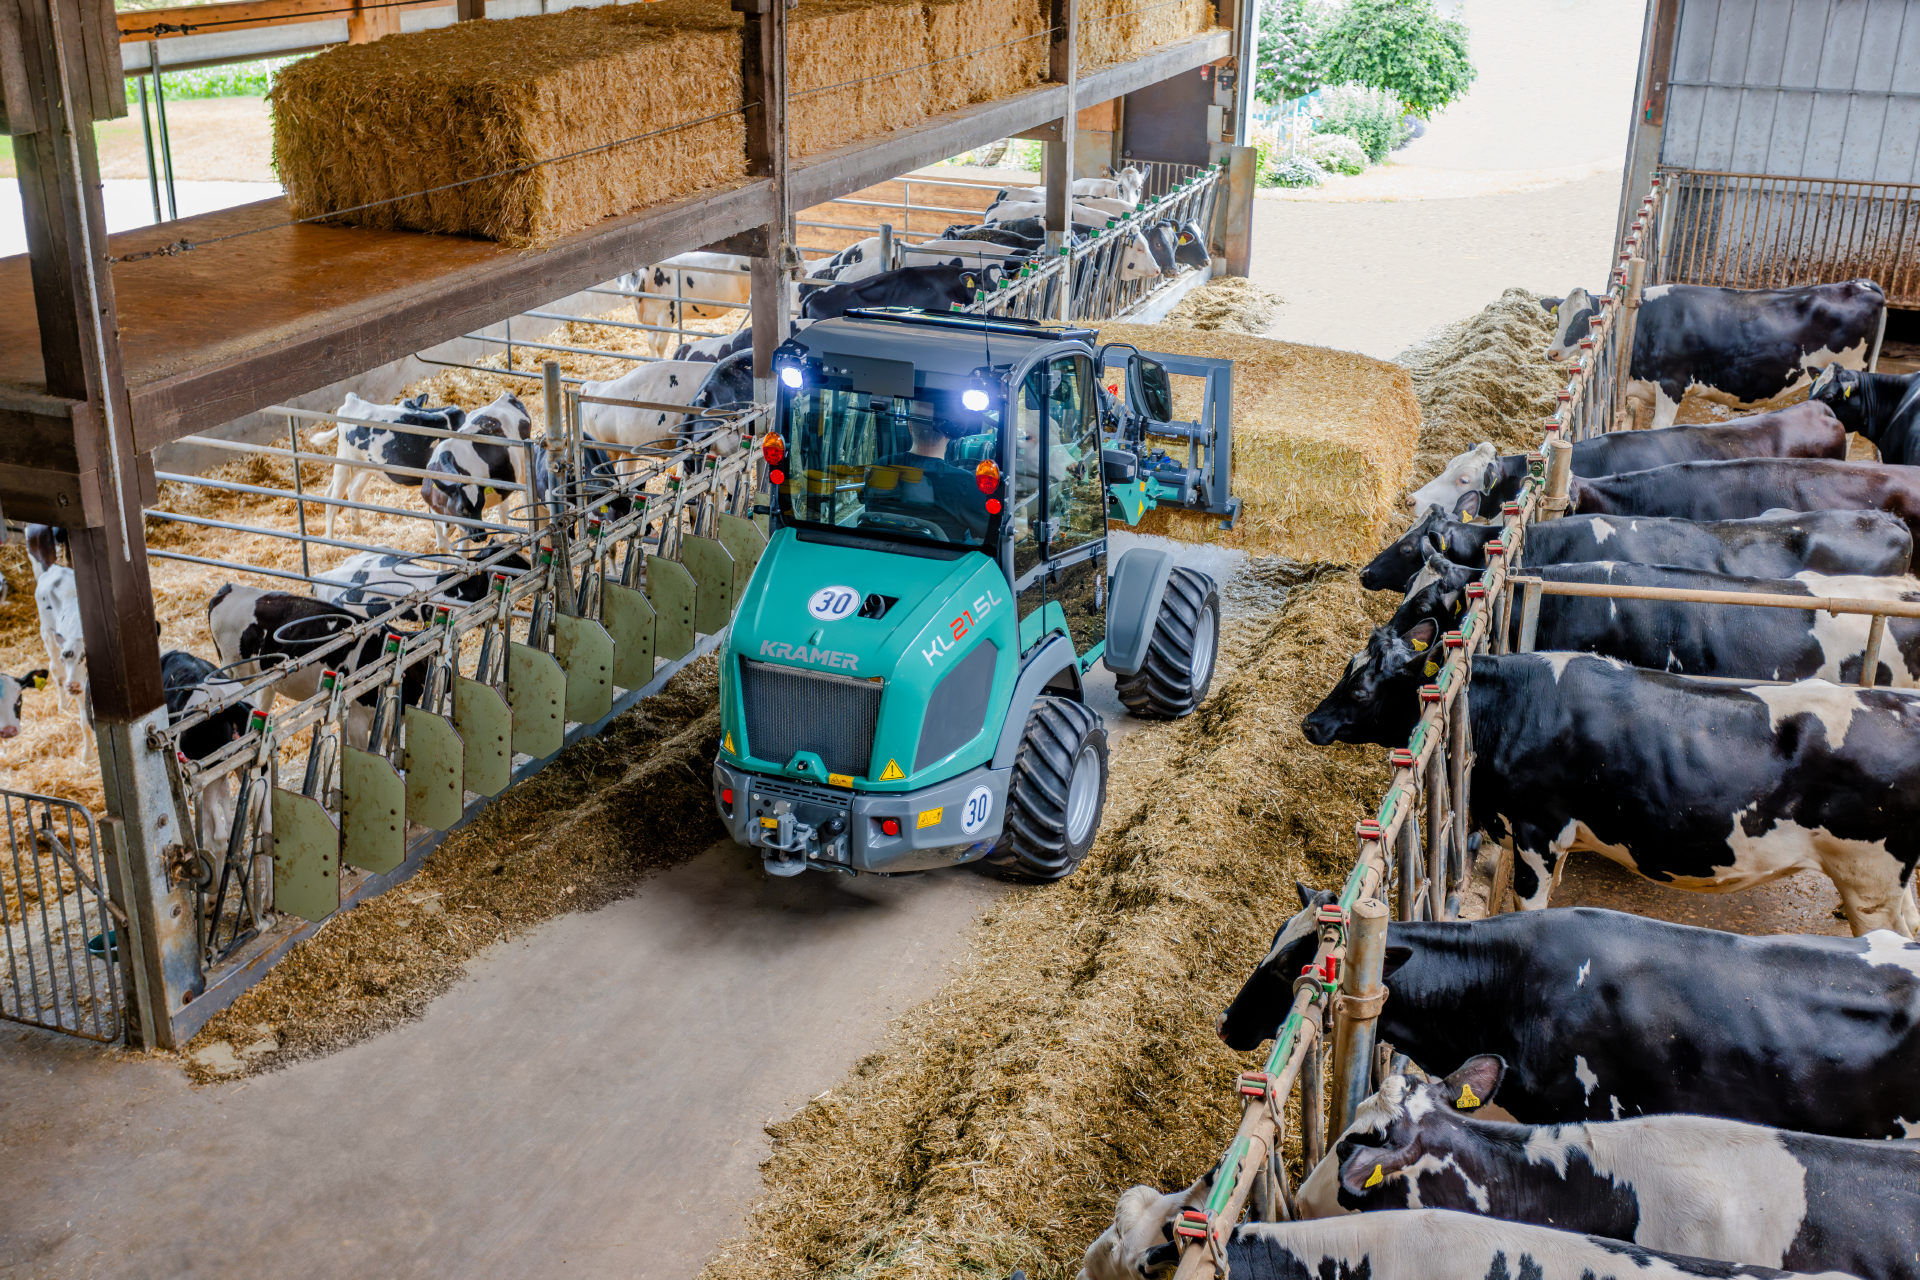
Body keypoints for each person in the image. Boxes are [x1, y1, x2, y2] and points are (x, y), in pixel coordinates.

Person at [862, 399, 995, 543]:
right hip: (943, 563)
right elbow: (990, 535)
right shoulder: (965, 484)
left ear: (910, 427)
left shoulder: (882, 466)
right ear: (950, 434)